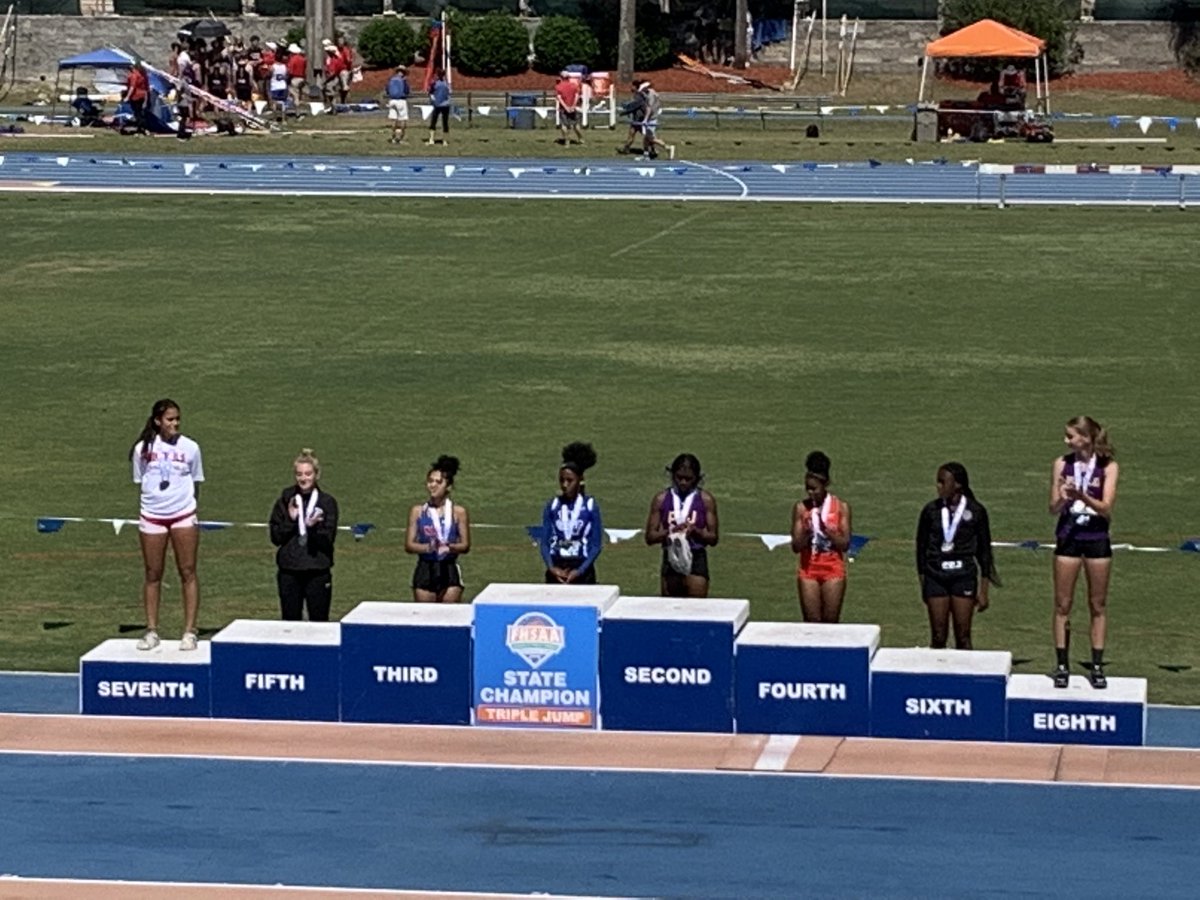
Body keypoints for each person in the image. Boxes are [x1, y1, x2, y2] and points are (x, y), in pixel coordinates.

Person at [1050, 416, 1119, 689]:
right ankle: (1062, 664)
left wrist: (1082, 496)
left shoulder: (1108, 467)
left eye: (1071, 436)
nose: (1066, 441)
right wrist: (1063, 497)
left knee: (1097, 604)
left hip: (1096, 537)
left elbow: (1105, 507)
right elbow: (1052, 507)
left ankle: (1097, 665)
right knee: (1062, 604)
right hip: (1068, 537)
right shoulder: (1062, 464)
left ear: (1086, 437)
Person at [129, 399, 204, 651]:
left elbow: (197, 481)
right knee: (152, 573)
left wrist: (188, 508)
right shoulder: (143, 449)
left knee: (188, 570)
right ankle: (151, 630)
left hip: (183, 513)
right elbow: (141, 481)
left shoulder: (191, 447)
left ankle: (190, 631)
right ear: (158, 421)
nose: (175, 424)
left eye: (177, 419)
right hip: (152, 514)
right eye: (170, 419)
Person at [915, 462, 998, 650]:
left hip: (963, 576)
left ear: (958, 485)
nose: (938, 486)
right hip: (935, 577)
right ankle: (936, 675)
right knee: (938, 635)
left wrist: (984, 591)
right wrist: (924, 584)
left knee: (963, 636)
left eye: (942, 482)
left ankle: (965, 677)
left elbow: (984, 552)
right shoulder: (930, 511)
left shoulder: (976, 511)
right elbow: (921, 550)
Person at [268, 448, 339, 622]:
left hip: (317, 570)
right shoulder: (286, 500)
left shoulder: (327, 502)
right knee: (290, 620)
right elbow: (276, 537)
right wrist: (291, 521)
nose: (303, 478)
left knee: (319, 620)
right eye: (299, 474)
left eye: (308, 474)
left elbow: (328, 539)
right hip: (289, 570)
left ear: (316, 475)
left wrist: (313, 528)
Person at [645, 453, 719, 597]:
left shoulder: (706, 500)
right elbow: (650, 537)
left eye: (688, 479)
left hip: (696, 555)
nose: (683, 482)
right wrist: (670, 531)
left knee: (696, 609)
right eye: (679, 478)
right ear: (672, 476)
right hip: (671, 555)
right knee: (670, 609)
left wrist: (695, 530)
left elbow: (713, 538)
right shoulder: (661, 499)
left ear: (697, 479)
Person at [791, 451, 851, 623]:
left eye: (814, 489)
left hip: (833, 569)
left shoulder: (841, 507)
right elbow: (796, 546)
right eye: (807, 489)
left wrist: (828, 532)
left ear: (825, 485)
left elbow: (845, 544)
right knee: (812, 622)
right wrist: (807, 530)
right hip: (808, 569)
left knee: (831, 622)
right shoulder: (801, 508)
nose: (811, 493)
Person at [404, 455, 471, 602]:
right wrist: (429, 547)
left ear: (448, 486)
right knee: (425, 619)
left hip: (449, 569)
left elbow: (465, 545)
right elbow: (409, 545)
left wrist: (449, 547)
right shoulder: (418, 511)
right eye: (430, 481)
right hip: (425, 569)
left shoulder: (458, 512)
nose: (432, 485)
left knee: (450, 619)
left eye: (438, 482)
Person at [540, 442, 603, 584]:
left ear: (579, 481)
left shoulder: (590, 506)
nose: (564, 485)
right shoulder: (553, 505)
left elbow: (596, 545)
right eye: (561, 480)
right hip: (557, 569)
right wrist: (551, 567)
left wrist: (580, 571)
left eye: (570, 480)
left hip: (582, 571)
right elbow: (544, 542)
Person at [554, 73, 583, 146]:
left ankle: (567, 141)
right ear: (568, 77)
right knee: (576, 124)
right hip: (573, 108)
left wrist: (566, 107)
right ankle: (580, 138)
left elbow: (559, 98)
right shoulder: (574, 85)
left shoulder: (558, 86)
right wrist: (573, 106)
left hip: (563, 109)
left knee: (564, 125)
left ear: (561, 77)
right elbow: (577, 96)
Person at [384, 64, 410, 143]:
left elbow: (387, 90)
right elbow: (407, 91)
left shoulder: (391, 80)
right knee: (403, 119)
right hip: (401, 100)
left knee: (393, 120)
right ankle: (401, 138)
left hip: (392, 100)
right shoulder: (403, 81)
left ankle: (393, 137)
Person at [123, 62, 149, 135]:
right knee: (140, 113)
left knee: (137, 114)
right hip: (143, 96)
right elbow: (147, 88)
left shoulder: (134, 75)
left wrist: (127, 97)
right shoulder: (144, 75)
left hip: (135, 96)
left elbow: (132, 87)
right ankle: (141, 128)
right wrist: (146, 99)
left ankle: (142, 129)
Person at [427, 70, 451, 145]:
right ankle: (444, 140)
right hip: (444, 104)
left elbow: (430, 92)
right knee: (444, 122)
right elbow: (449, 92)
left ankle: (432, 139)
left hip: (439, 105)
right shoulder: (446, 83)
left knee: (435, 121)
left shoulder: (436, 83)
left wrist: (432, 99)